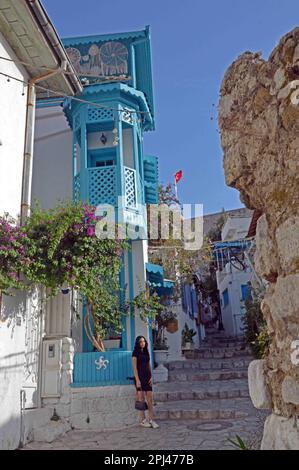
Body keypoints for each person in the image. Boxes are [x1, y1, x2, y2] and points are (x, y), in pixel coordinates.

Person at [132, 335, 159, 428]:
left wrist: (151, 376)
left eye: (143, 341)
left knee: (150, 400)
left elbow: (149, 365)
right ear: (137, 343)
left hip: (147, 378)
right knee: (141, 400)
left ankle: (152, 420)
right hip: (139, 378)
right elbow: (134, 368)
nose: (142, 343)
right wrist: (137, 380)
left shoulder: (147, 352)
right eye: (140, 342)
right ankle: (143, 420)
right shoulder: (135, 353)